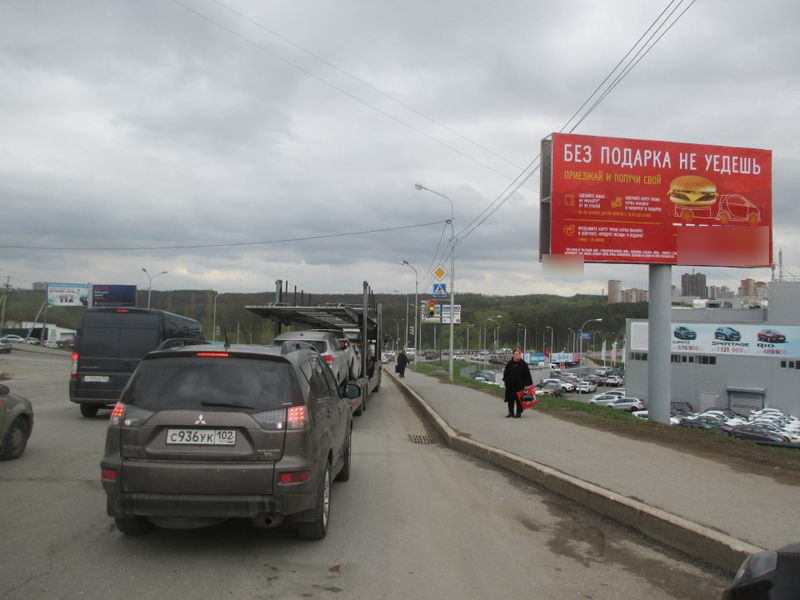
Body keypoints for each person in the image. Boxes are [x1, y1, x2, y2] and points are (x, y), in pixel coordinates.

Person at [502, 347, 532, 418]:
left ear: (520, 355)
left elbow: (527, 375)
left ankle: (518, 413)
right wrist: (506, 382)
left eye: (517, 354)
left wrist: (527, 385)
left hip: (520, 386)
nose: (516, 355)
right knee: (510, 399)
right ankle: (511, 412)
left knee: (519, 400)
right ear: (513, 355)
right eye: (514, 354)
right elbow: (505, 374)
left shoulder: (523, 364)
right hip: (510, 385)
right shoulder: (509, 363)